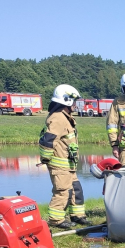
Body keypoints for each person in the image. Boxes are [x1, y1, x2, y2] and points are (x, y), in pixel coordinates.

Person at [39, 84, 89, 229]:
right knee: (62, 191)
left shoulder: (65, 117)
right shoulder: (58, 118)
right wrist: (47, 159)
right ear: (66, 101)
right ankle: (56, 220)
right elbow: (47, 140)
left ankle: (77, 216)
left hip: (68, 165)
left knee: (76, 189)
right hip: (59, 165)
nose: (75, 104)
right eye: (73, 101)